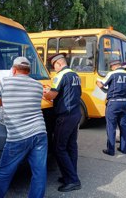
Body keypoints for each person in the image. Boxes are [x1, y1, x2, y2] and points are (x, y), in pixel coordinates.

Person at [0, 57, 47, 198]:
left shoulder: (3, 83)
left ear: (13, 70)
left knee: (4, 172)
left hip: (17, 136)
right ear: (29, 71)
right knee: (39, 172)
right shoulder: (38, 85)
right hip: (40, 132)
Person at [43, 53, 82, 192]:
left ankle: (72, 180)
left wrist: (45, 92)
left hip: (65, 116)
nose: (54, 69)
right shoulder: (75, 75)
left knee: (59, 148)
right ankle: (70, 174)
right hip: (76, 113)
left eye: (54, 66)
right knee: (71, 146)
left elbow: (51, 95)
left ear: (58, 64)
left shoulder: (61, 75)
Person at [96, 60, 126, 156]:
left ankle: (111, 150)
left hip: (113, 104)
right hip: (124, 104)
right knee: (123, 126)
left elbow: (102, 85)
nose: (111, 68)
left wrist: (97, 82)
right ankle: (124, 148)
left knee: (111, 127)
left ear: (114, 66)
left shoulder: (112, 74)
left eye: (111, 67)